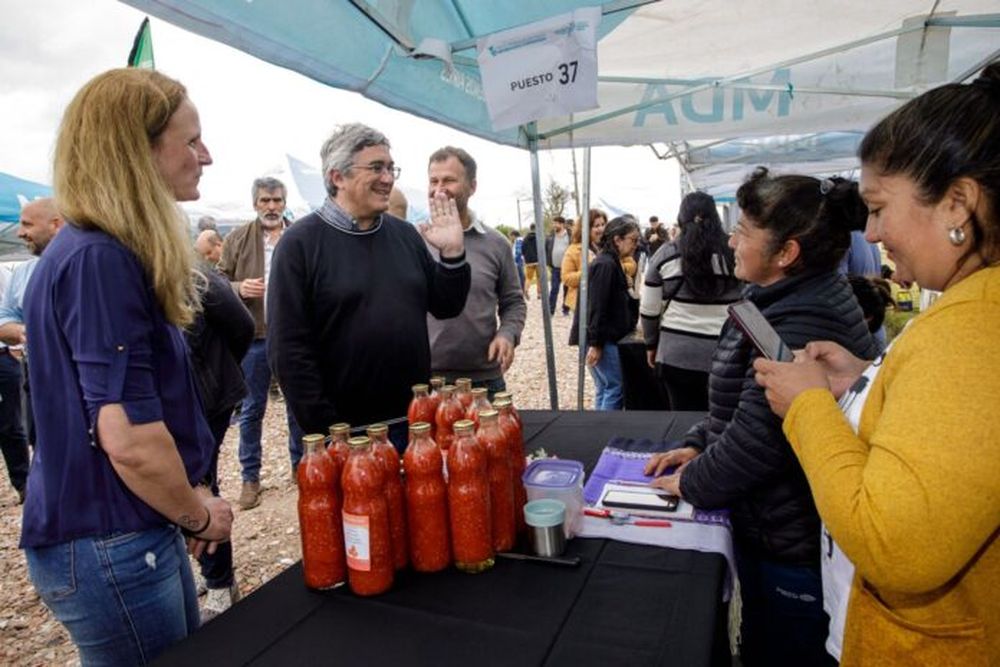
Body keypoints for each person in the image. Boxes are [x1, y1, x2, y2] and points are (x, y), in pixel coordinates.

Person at [752, 65, 1000, 666]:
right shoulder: (971, 312)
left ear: (957, 203)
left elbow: (894, 543)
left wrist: (809, 405)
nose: (871, 232)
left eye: (879, 208)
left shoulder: (971, 327)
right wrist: (865, 377)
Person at [21, 68, 233, 665]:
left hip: (125, 532)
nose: (206, 156)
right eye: (191, 141)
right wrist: (198, 514)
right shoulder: (101, 258)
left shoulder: (97, 250)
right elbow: (129, 438)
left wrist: (183, 503)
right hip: (111, 541)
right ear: (137, 151)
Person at [645, 168, 877, 667]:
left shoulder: (805, 317)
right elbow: (737, 403)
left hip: (792, 544)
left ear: (786, 253)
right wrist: (698, 442)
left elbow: (759, 441)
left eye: (744, 231)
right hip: (776, 529)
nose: (731, 241)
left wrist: (690, 482)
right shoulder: (776, 297)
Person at [267, 123, 469, 452]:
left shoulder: (405, 235)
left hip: (413, 425)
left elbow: (447, 305)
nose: (388, 178)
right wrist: (330, 433)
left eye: (391, 168)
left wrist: (453, 254)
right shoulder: (299, 244)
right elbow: (288, 352)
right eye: (376, 167)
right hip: (347, 437)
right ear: (338, 177)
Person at [217, 176, 304, 510]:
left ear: (284, 203)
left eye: (277, 200)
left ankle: (301, 467)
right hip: (253, 337)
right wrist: (239, 288)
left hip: (292, 336)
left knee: (297, 405)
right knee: (253, 409)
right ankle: (250, 477)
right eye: (265, 201)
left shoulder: (298, 235)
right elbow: (216, 281)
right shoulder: (238, 239)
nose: (271, 206)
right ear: (255, 203)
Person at [185, 257, 254, 621]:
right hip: (166, 404)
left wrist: (215, 370)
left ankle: (220, 584)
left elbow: (242, 326)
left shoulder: (193, 272)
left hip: (206, 402)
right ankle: (198, 571)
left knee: (200, 482)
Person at [426, 147, 525, 399]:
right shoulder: (416, 240)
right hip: (427, 381)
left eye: (449, 180)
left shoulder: (496, 243)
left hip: (484, 380)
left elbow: (513, 301)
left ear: (472, 186)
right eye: (434, 181)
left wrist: (508, 334)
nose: (439, 189)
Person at [640, 192, 742, 411]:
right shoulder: (733, 252)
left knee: (682, 419)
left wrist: (651, 344)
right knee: (725, 418)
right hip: (728, 353)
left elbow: (649, 309)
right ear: (715, 216)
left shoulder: (666, 253)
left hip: (676, 353)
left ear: (681, 217)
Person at [0, 198, 63, 503]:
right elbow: (4, 318)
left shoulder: (87, 264)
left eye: (27, 224)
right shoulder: (23, 273)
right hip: (37, 373)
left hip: (82, 378)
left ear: (56, 224)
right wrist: (26, 331)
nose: (20, 232)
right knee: (41, 440)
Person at [576, 217, 641, 410]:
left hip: (602, 337)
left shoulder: (609, 262)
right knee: (614, 388)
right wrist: (596, 344)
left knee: (604, 387)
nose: (636, 245)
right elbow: (597, 307)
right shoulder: (606, 264)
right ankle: (607, 426)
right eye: (633, 240)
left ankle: (599, 426)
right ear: (617, 240)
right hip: (605, 339)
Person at [562, 209, 607, 320]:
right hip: (583, 303)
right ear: (586, 228)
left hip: (603, 301)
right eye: (596, 226)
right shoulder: (574, 250)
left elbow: (628, 264)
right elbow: (566, 278)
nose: (601, 229)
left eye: (603, 224)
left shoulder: (606, 247)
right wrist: (590, 270)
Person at [546, 216, 571, 315]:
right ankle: (550, 310)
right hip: (555, 268)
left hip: (568, 268)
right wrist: (548, 263)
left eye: (556, 223)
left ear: (562, 224)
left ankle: (566, 309)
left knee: (567, 289)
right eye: (553, 223)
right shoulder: (551, 236)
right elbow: (546, 249)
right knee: (554, 289)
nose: (554, 225)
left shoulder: (570, 235)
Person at [522, 223, 540, 298]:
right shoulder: (539, 237)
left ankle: (526, 290)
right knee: (539, 277)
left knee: (528, 278)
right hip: (538, 260)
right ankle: (539, 294)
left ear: (530, 228)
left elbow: (523, 250)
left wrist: (526, 258)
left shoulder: (525, 238)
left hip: (529, 261)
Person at [509, 229, 527, 295]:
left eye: (510, 236)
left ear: (514, 235)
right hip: (519, 261)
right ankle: (522, 290)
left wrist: (515, 261)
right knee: (520, 276)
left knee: (521, 276)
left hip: (518, 261)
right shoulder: (518, 240)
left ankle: (523, 290)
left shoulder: (518, 241)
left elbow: (518, 252)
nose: (510, 238)